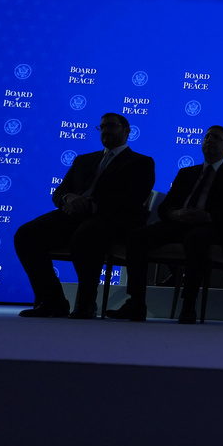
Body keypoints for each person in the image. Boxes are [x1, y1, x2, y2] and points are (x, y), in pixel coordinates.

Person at [14, 112, 155, 319]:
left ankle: (86, 302)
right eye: (102, 127)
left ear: (127, 131)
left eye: (111, 126)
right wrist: (69, 198)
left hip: (111, 218)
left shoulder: (141, 162)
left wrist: (91, 205)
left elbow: (132, 198)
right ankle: (53, 301)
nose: (105, 130)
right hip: (73, 215)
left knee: (85, 236)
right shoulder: (83, 160)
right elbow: (60, 191)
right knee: (26, 235)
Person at [105, 126, 223, 323]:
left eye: (216, 138)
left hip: (214, 227)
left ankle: (188, 305)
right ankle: (136, 303)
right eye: (207, 137)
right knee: (137, 237)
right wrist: (175, 213)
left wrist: (207, 216)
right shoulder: (187, 172)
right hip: (179, 223)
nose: (209, 140)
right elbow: (165, 208)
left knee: (195, 239)